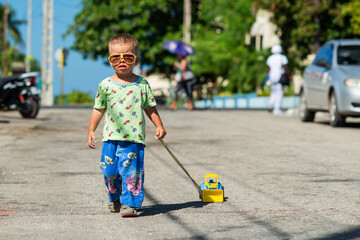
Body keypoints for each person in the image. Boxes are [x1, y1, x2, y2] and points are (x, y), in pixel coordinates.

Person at [87, 34, 166, 217]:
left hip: (133, 139)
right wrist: (91, 130)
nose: (121, 61)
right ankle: (115, 197)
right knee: (109, 172)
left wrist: (159, 125)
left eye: (128, 57)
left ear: (136, 60)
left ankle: (130, 203)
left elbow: (150, 107)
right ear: (110, 60)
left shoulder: (142, 84)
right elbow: (98, 109)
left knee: (131, 172)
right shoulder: (105, 85)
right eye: (116, 57)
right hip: (110, 139)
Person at [266, 44, 291, 116]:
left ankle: (270, 105)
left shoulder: (270, 58)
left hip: (272, 77)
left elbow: (268, 68)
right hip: (280, 77)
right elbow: (286, 68)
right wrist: (289, 76)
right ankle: (277, 109)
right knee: (279, 93)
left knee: (273, 92)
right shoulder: (282, 57)